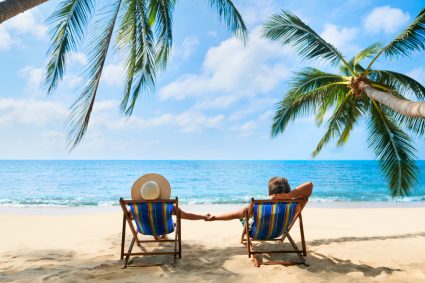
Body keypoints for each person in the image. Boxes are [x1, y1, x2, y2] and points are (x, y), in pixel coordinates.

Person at [206, 177, 313, 222]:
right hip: (282, 230)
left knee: (243, 216)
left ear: (269, 193)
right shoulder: (296, 203)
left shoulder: (260, 206)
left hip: (260, 232)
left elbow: (234, 214)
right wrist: (287, 196)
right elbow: (309, 185)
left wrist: (214, 218)